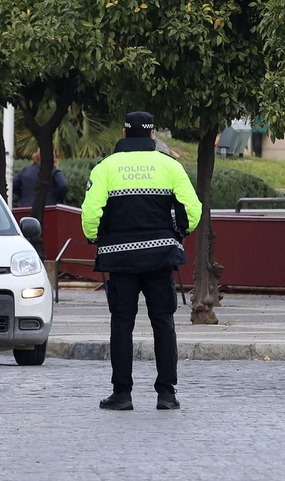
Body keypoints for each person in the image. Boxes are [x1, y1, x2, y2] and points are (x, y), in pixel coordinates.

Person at [81, 111, 203, 412]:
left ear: (124, 133)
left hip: (120, 260)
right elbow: (193, 209)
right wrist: (179, 232)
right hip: (160, 257)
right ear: (152, 135)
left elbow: (90, 214)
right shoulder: (169, 166)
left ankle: (122, 394)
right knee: (163, 322)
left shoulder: (105, 168)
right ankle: (166, 393)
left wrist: (96, 237)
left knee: (122, 323)